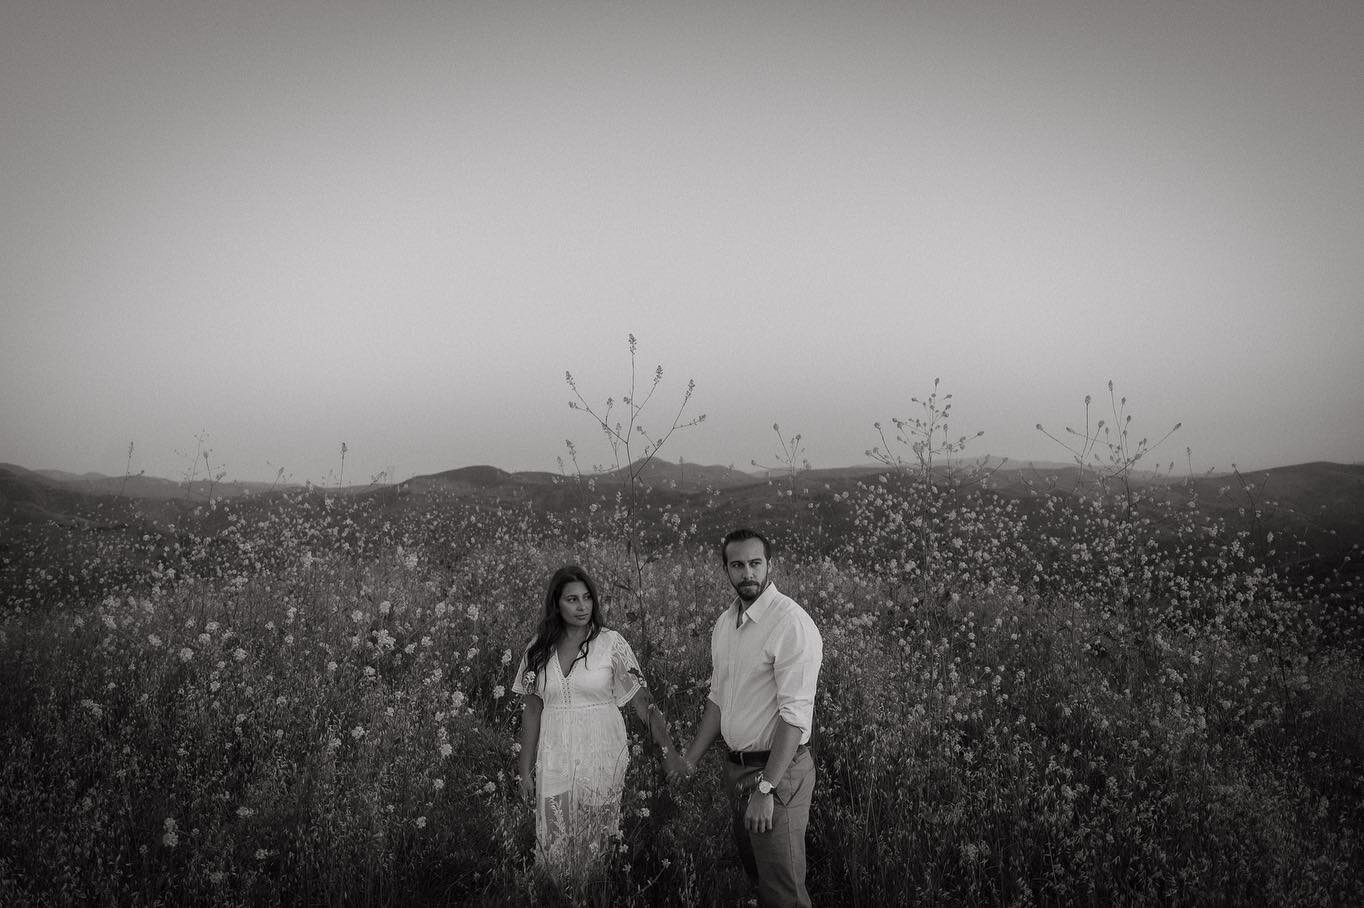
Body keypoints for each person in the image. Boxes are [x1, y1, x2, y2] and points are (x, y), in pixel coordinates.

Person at [677, 528, 823, 908]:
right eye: (738, 565)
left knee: (784, 893)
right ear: (725, 569)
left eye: (755, 563)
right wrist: (689, 760)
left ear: (769, 565)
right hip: (738, 771)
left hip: (778, 774)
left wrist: (766, 789)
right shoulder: (726, 624)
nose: (748, 573)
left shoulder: (790, 623)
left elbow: (794, 718)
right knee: (760, 879)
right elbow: (718, 699)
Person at [512, 565, 688, 880]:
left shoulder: (611, 643)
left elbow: (643, 703)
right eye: (572, 599)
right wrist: (524, 771)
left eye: (587, 598)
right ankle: (559, 895)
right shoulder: (537, 648)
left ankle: (592, 892)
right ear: (556, 603)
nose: (582, 607)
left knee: (593, 843)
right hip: (554, 753)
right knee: (553, 838)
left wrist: (669, 752)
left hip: (601, 749)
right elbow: (532, 710)